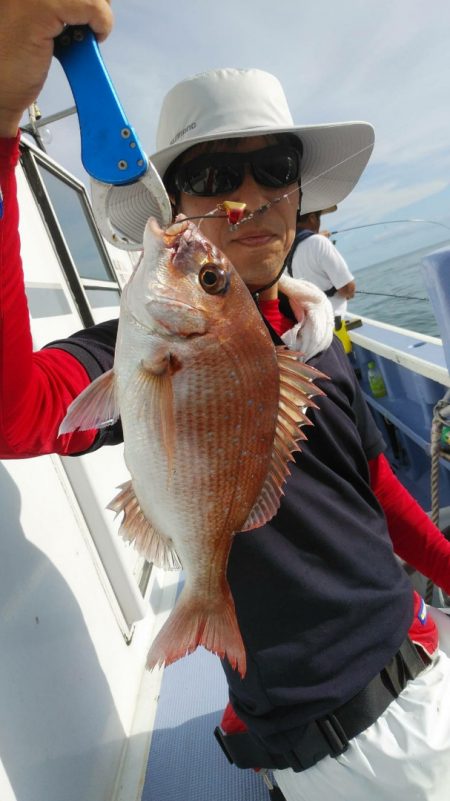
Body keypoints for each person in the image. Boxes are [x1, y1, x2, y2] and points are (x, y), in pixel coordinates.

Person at [2, 3, 450, 800]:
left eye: (274, 167)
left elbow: (378, 490)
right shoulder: (135, 345)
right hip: (355, 743)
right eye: (213, 176)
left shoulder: (316, 340)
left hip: (422, 648)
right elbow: (17, 412)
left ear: (298, 193)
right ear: (177, 209)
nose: (249, 192)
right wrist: (3, 127)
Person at [289, 208, 356, 325]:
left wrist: (314, 237)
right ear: (312, 218)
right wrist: (317, 238)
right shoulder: (319, 242)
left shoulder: (286, 250)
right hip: (333, 325)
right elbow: (347, 288)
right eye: (319, 218)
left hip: (311, 326)